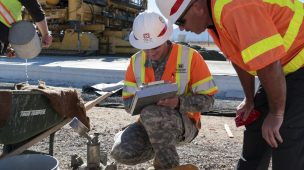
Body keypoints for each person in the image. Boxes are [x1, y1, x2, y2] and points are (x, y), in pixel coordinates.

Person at [155, 0, 304, 169]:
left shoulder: (235, 6)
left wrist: (277, 114)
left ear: (197, 7)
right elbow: (239, 59)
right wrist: (249, 100)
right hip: (282, 69)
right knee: (256, 128)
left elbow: (269, 64)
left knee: (285, 133)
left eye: (180, 21)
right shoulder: (214, 20)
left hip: (296, 64)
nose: (181, 28)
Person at [110, 11, 218, 170]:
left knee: (151, 113)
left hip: (185, 124)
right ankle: (160, 147)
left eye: (155, 47)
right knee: (121, 152)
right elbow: (127, 103)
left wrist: (178, 102)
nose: (150, 52)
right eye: (145, 48)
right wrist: (139, 102)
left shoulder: (190, 57)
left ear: (166, 38)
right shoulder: (136, 62)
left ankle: (168, 167)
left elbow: (209, 102)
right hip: (149, 124)